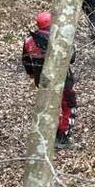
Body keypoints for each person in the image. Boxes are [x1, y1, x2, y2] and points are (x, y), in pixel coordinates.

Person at [21, 11, 78, 149]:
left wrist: (33, 75)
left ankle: (46, 134)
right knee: (69, 107)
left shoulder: (29, 41)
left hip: (42, 80)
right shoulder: (59, 39)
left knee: (47, 106)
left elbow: (26, 61)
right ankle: (62, 137)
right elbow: (71, 58)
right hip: (62, 79)